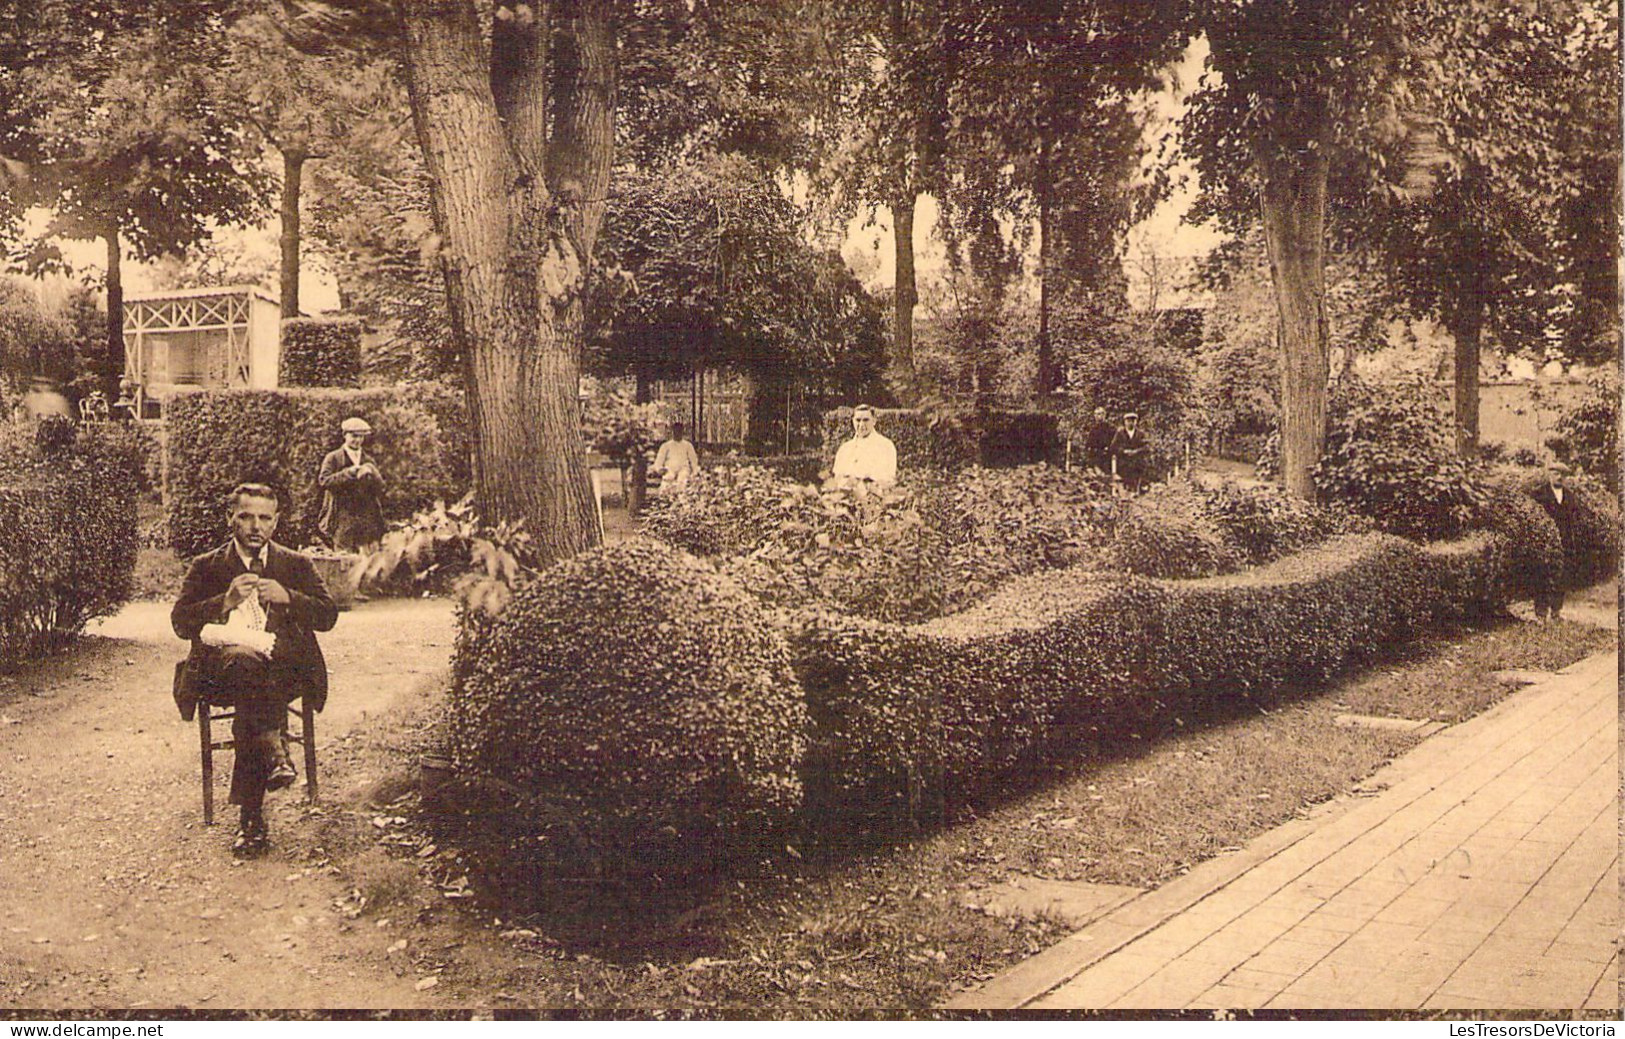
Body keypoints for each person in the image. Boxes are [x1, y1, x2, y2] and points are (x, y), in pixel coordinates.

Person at [172, 484, 338, 857]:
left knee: (256, 683)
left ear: (276, 522)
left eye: (265, 518)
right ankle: (273, 752)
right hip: (223, 669)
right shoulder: (208, 565)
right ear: (231, 517)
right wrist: (223, 601)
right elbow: (180, 623)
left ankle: (252, 819)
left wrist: (289, 597)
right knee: (246, 665)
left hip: (283, 669)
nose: (255, 526)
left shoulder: (294, 564)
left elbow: (328, 616)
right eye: (246, 516)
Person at [317, 417, 386, 552]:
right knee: (343, 558)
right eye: (354, 436)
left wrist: (372, 474)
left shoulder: (368, 460)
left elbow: (380, 489)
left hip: (366, 516)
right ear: (345, 435)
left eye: (361, 437)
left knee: (367, 561)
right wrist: (349, 473)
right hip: (343, 516)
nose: (358, 440)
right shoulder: (333, 458)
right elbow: (324, 481)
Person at [1528, 463, 1574, 622]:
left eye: (1562, 474)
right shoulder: (1539, 494)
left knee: (1561, 577)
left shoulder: (1569, 496)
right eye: (1556, 473)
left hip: (1564, 542)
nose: (1559, 477)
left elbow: (1572, 520)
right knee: (1542, 576)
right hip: (1544, 542)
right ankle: (1541, 614)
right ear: (1549, 475)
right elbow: (1532, 518)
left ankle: (1556, 612)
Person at [832, 404, 898, 490]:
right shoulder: (845, 449)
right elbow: (838, 478)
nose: (862, 424)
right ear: (853, 421)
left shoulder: (885, 446)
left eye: (866, 420)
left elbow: (888, 479)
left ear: (874, 421)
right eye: (858, 420)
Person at [651, 421, 700, 494]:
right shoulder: (666, 446)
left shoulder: (688, 445)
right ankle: (665, 499)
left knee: (682, 481)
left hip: (683, 470)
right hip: (670, 469)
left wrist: (694, 473)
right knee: (668, 480)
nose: (677, 433)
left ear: (682, 432)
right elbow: (658, 462)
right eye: (675, 431)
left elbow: (694, 461)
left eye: (679, 431)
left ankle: (681, 500)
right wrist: (659, 469)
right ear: (672, 431)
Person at [1110, 412, 1150, 495]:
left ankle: (1138, 490)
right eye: (1128, 421)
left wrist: (1136, 451)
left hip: (1137, 460)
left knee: (1140, 470)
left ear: (1136, 422)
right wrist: (1124, 451)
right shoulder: (1120, 433)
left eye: (1132, 420)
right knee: (1124, 473)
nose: (1130, 423)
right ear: (1125, 422)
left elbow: (1147, 447)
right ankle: (1125, 491)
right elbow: (1113, 447)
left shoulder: (1140, 434)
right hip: (1123, 461)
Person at [1083, 406, 1116, 474]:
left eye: (1100, 414)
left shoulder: (1111, 428)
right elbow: (1089, 444)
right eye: (1096, 414)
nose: (1098, 416)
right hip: (1096, 455)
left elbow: (1115, 442)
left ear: (1104, 415)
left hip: (1108, 455)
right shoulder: (1093, 429)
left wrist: (1108, 448)